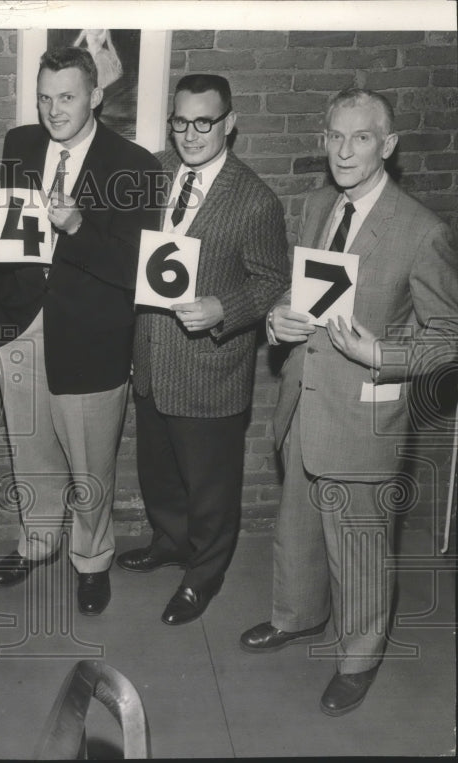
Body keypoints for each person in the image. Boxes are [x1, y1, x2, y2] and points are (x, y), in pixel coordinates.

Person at [240, 88, 458, 716]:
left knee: (359, 544)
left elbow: (448, 341)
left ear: (387, 146)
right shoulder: (316, 205)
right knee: (299, 527)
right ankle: (296, 616)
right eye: (335, 135)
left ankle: (359, 658)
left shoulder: (422, 230)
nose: (344, 149)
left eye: (360, 137)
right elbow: (305, 294)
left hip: (366, 413)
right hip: (306, 399)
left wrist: (383, 355)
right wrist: (279, 320)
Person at [0, 46, 160, 615]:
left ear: (96, 96)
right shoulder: (20, 145)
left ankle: (92, 558)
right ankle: (38, 542)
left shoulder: (136, 165)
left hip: (91, 333)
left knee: (90, 463)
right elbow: (6, 241)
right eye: (44, 97)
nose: (53, 110)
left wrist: (77, 224)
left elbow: (137, 269)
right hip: (21, 321)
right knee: (29, 449)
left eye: (67, 97)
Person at [117, 74, 290, 625]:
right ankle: (170, 540)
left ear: (229, 124)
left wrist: (224, 309)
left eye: (204, 123)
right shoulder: (154, 172)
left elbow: (271, 281)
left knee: (211, 486)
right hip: (150, 356)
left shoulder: (255, 199)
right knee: (159, 471)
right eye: (181, 121)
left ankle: (204, 574)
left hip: (210, 367)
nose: (190, 134)